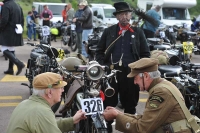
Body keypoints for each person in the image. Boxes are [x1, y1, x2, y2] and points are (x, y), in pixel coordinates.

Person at [95, 2, 150, 132]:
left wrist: (139, 70)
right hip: (111, 73)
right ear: (117, 17)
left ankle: (129, 129)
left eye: (127, 14)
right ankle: (107, 130)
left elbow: (145, 54)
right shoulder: (109, 31)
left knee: (130, 105)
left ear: (130, 15)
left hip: (131, 74)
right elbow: (99, 51)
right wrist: (104, 66)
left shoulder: (138, 32)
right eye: (121, 14)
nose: (124, 16)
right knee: (108, 104)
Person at [103, 58, 195, 133]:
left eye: (136, 78)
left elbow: (142, 128)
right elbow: (145, 119)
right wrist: (118, 114)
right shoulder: (162, 85)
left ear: (146, 76)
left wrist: (117, 116)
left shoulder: (161, 92)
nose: (135, 82)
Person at [6, 72, 87, 133]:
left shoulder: (26, 104)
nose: (62, 90)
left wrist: (72, 121)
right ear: (49, 92)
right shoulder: (41, 112)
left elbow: (48, 125)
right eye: (60, 87)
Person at [0, 0, 25, 75]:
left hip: (7, 31)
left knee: (4, 49)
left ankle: (19, 63)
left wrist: (0, 28)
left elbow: (4, 20)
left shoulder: (6, 5)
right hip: (16, 30)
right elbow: (22, 20)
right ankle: (10, 69)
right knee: (11, 50)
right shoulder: (17, 5)